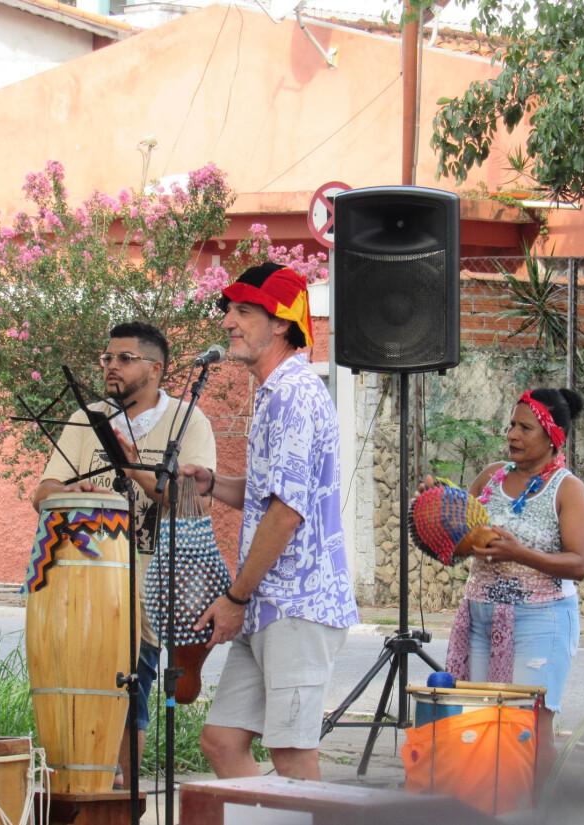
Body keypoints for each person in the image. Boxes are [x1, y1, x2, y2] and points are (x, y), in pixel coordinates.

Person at [183, 262, 359, 782]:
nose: (228, 323)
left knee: (292, 753)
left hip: (297, 607)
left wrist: (234, 598)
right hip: (271, 604)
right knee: (221, 742)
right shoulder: (274, 391)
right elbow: (271, 497)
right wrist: (212, 484)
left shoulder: (293, 394)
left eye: (243, 311)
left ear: (281, 322)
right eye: (229, 311)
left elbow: (285, 515)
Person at [32, 320, 216, 790]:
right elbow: (45, 491)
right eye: (107, 358)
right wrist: (75, 489)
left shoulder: (188, 421)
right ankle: (86, 789)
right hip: (86, 580)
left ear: (155, 369)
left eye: (124, 359)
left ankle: (125, 797)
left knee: (133, 686)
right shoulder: (85, 418)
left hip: (151, 580)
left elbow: (193, 499)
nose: (111, 367)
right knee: (83, 681)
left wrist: (131, 463)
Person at [442, 387, 584, 784]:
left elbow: (578, 564)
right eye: (512, 424)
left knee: (529, 731)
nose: (512, 434)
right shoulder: (490, 478)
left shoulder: (567, 489)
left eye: (526, 427)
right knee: (480, 723)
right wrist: (439, 509)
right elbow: (455, 545)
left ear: (552, 437)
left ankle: (538, 812)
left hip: (540, 622)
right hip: (480, 619)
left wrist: (519, 553)